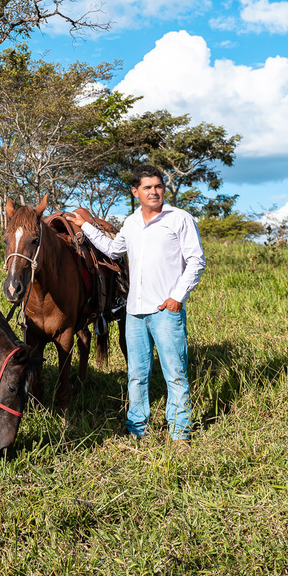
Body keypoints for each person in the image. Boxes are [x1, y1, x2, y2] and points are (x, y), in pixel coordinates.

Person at [65, 164, 205, 445]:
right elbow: (113, 250)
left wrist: (177, 297)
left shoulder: (180, 219)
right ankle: (137, 428)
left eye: (158, 186)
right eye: (147, 187)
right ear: (135, 192)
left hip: (166, 311)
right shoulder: (131, 223)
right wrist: (86, 226)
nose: (154, 192)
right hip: (135, 313)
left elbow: (196, 261)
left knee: (175, 374)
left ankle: (180, 433)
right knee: (137, 375)